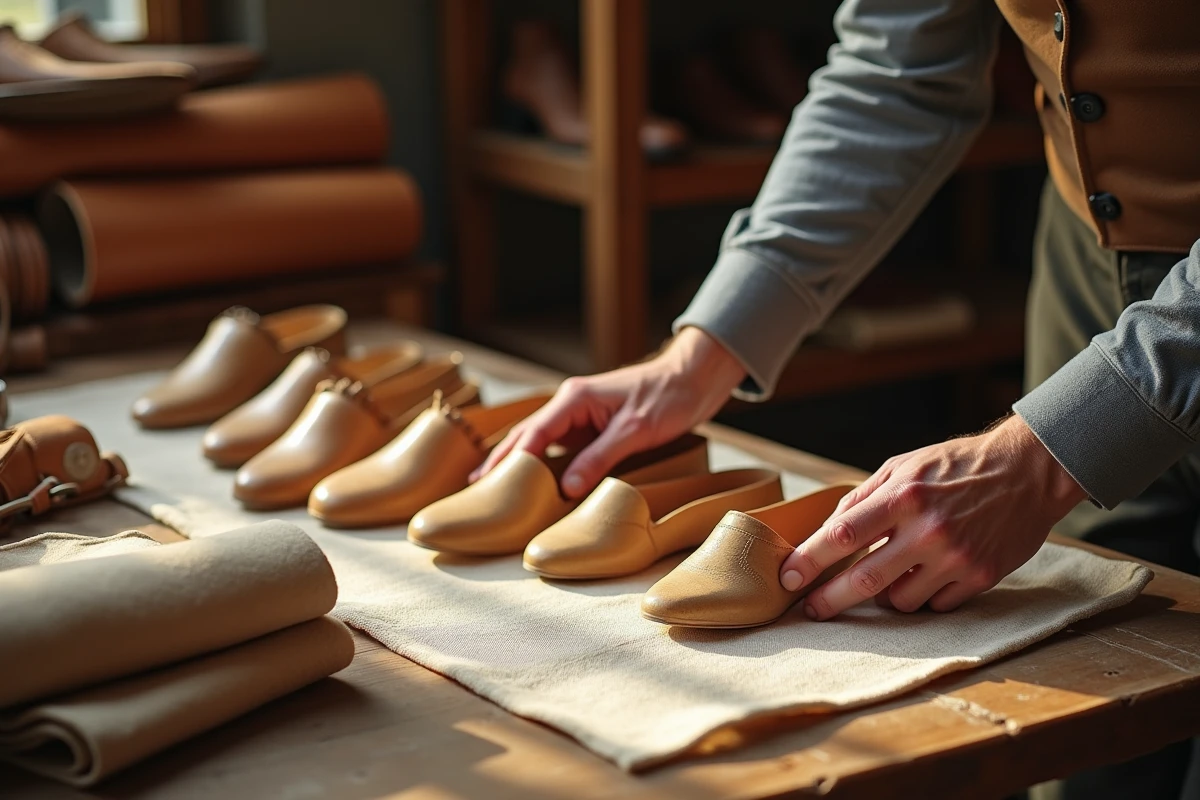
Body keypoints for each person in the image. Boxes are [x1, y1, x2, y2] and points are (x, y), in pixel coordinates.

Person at [474, 1, 1200, 796]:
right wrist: (702, 352)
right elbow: (896, 71)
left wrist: (1049, 452)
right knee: (1090, 725)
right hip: (1089, 261)